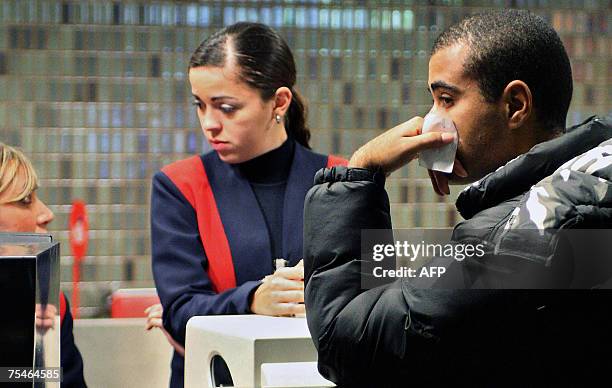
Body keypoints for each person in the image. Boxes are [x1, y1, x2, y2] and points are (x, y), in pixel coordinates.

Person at [303, 10, 612, 387]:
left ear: (515, 105)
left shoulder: (529, 227)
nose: (431, 123)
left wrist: (360, 172)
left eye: (446, 100)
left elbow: (348, 344)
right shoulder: (592, 183)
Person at [150, 22, 346, 388]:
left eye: (226, 107)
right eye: (200, 105)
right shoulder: (179, 185)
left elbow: (373, 295)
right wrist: (253, 298)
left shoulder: (341, 177)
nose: (209, 124)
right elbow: (178, 311)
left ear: (279, 102)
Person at [0, 142, 87, 388]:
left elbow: (63, 382)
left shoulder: (48, 303)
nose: (47, 213)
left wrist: (39, 350)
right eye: (25, 200)